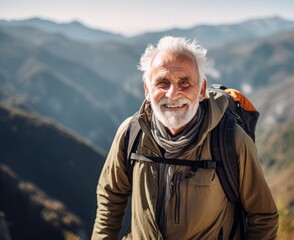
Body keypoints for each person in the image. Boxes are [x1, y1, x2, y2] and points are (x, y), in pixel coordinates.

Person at [92, 36, 278, 240]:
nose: (173, 94)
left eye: (185, 82)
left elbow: (263, 215)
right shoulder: (131, 133)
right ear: (147, 90)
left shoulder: (232, 140)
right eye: (162, 82)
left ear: (202, 90)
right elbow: (110, 197)